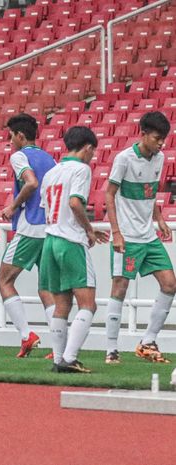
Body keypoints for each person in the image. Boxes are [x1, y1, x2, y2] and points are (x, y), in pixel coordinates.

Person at [105, 111, 175, 364]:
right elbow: (109, 194)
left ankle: (148, 341)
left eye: (163, 139)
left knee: (170, 284)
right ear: (143, 134)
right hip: (128, 237)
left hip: (148, 236)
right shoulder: (124, 159)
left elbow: (151, 191)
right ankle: (111, 349)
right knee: (120, 288)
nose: (161, 144)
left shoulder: (160, 158)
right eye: (157, 138)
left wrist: (159, 218)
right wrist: (116, 233)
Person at [39, 126, 109, 374]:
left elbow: (48, 206)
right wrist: (89, 231)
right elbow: (74, 202)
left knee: (61, 305)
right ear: (88, 147)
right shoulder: (81, 169)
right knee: (88, 304)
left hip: (50, 241)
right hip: (70, 242)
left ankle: (58, 358)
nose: (92, 156)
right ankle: (70, 358)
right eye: (93, 151)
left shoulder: (51, 173)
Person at [0, 113, 56, 358]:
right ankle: (59, 343)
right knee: (46, 287)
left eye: (11, 136)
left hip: (30, 226)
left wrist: (12, 206)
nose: (10, 141)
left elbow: (30, 183)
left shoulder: (20, 156)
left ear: (20, 136)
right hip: (50, 228)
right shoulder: (50, 158)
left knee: (3, 281)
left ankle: (26, 335)